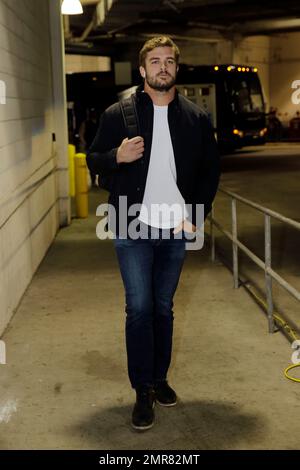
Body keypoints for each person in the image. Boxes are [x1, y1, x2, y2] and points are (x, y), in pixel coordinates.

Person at [87, 36, 220, 431]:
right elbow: (93, 158)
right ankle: (142, 390)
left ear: (176, 69)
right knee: (140, 308)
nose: (162, 67)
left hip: (177, 227)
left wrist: (198, 214)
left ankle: (159, 379)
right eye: (155, 61)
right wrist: (116, 157)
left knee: (163, 307)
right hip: (132, 224)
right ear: (142, 70)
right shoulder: (118, 115)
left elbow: (210, 172)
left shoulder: (195, 118)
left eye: (169, 61)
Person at [79, 108, 98, 186]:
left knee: (99, 164)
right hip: (90, 147)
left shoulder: (99, 123)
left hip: (98, 147)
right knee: (92, 164)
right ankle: (93, 181)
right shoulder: (86, 123)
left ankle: (98, 180)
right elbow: (81, 134)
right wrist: (84, 142)